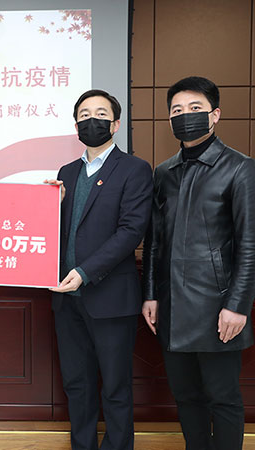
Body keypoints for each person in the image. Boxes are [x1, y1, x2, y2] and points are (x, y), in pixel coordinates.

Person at [142, 76, 255, 450]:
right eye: (177, 110)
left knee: (223, 397)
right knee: (186, 396)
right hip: (172, 305)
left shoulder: (240, 168)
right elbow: (155, 241)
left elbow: (249, 245)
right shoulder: (164, 172)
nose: (185, 115)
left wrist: (237, 306)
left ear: (215, 114)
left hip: (217, 307)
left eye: (195, 108)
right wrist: (151, 294)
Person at [45, 89, 153, 450]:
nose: (92, 120)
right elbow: (62, 231)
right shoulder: (67, 172)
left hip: (110, 297)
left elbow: (130, 232)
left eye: (101, 114)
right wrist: (50, 206)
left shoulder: (134, 169)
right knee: (77, 384)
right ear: (76, 125)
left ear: (116, 124)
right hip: (66, 298)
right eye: (85, 115)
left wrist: (86, 271)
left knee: (116, 387)